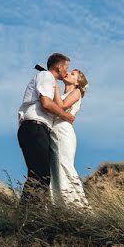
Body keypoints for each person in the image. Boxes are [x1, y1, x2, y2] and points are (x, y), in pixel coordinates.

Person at [17, 52, 76, 203]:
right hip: (34, 127)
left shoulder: (51, 81)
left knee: (41, 175)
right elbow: (46, 103)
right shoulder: (45, 76)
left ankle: (28, 215)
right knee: (40, 175)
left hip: (38, 129)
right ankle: (28, 215)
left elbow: (57, 104)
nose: (67, 71)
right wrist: (66, 116)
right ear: (59, 67)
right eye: (66, 67)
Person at [50, 69, 90, 208]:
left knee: (65, 166)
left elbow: (62, 106)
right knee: (55, 169)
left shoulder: (76, 92)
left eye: (73, 74)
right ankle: (58, 206)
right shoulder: (61, 94)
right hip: (54, 131)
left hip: (63, 131)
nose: (68, 73)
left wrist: (54, 85)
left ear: (78, 82)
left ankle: (76, 206)